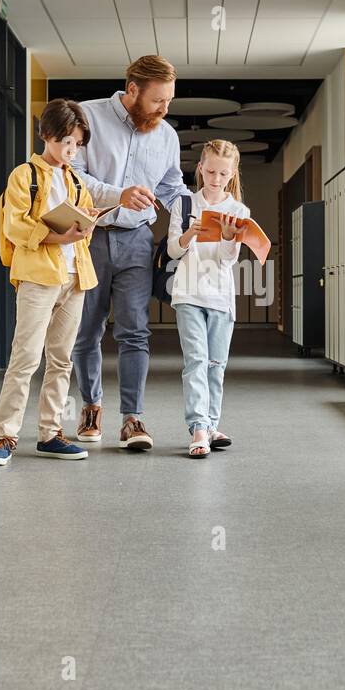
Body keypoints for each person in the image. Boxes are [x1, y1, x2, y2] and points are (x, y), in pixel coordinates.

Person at [68, 55, 188, 451]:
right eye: (158, 100)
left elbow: (172, 189)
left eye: (169, 100)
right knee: (87, 330)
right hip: (91, 236)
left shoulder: (166, 135)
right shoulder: (88, 116)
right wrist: (116, 194)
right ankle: (91, 407)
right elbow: (72, 174)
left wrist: (203, 216)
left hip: (137, 239)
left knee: (135, 330)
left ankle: (132, 418)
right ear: (132, 90)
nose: (164, 109)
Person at [0, 100, 104, 465]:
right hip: (38, 276)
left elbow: (81, 231)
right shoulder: (25, 175)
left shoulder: (77, 181)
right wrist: (57, 238)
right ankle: (5, 435)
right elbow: (14, 225)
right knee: (25, 357)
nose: (71, 151)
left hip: (75, 277)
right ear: (46, 135)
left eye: (78, 145)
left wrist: (88, 221)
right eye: (66, 142)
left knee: (62, 359)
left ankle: (50, 433)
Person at [166, 140, 249, 457]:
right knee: (196, 362)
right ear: (200, 168)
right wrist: (191, 233)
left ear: (232, 174)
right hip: (188, 293)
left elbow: (228, 259)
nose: (215, 178)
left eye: (223, 173)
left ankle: (212, 424)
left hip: (221, 297)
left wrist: (229, 238)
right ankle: (198, 427)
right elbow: (173, 250)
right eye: (211, 171)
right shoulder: (185, 204)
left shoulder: (238, 211)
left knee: (217, 365)